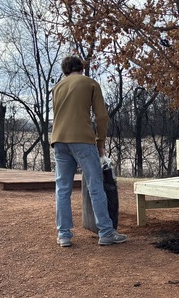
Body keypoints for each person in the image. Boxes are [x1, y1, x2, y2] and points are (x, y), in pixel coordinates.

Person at [51, 56, 127, 247]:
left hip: (59, 140)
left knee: (63, 189)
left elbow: (58, 115)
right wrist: (100, 141)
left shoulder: (57, 87)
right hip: (83, 140)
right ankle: (106, 232)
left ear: (65, 70)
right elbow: (101, 117)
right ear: (81, 68)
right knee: (95, 186)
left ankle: (64, 235)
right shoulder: (90, 84)